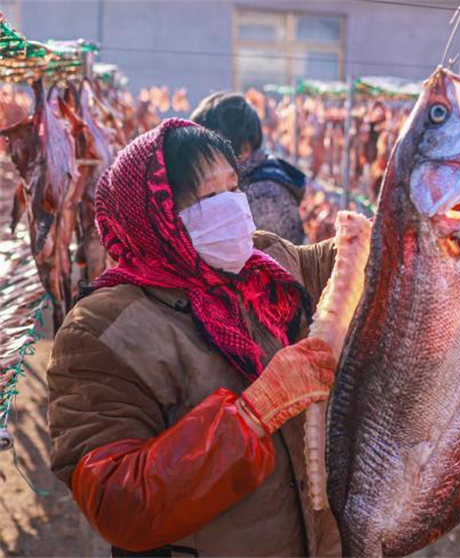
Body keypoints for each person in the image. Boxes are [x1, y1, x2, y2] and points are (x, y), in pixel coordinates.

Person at [47, 119, 341, 556]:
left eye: (233, 187)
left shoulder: (262, 268)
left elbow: (344, 262)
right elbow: (117, 502)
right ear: (155, 213)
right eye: (209, 196)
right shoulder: (101, 330)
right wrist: (255, 413)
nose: (234, 206)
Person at [190, 92, 307, 244]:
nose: (204, 159)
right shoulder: (246, 182)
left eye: (212, 148)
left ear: (244, 148)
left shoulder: (265, 196)